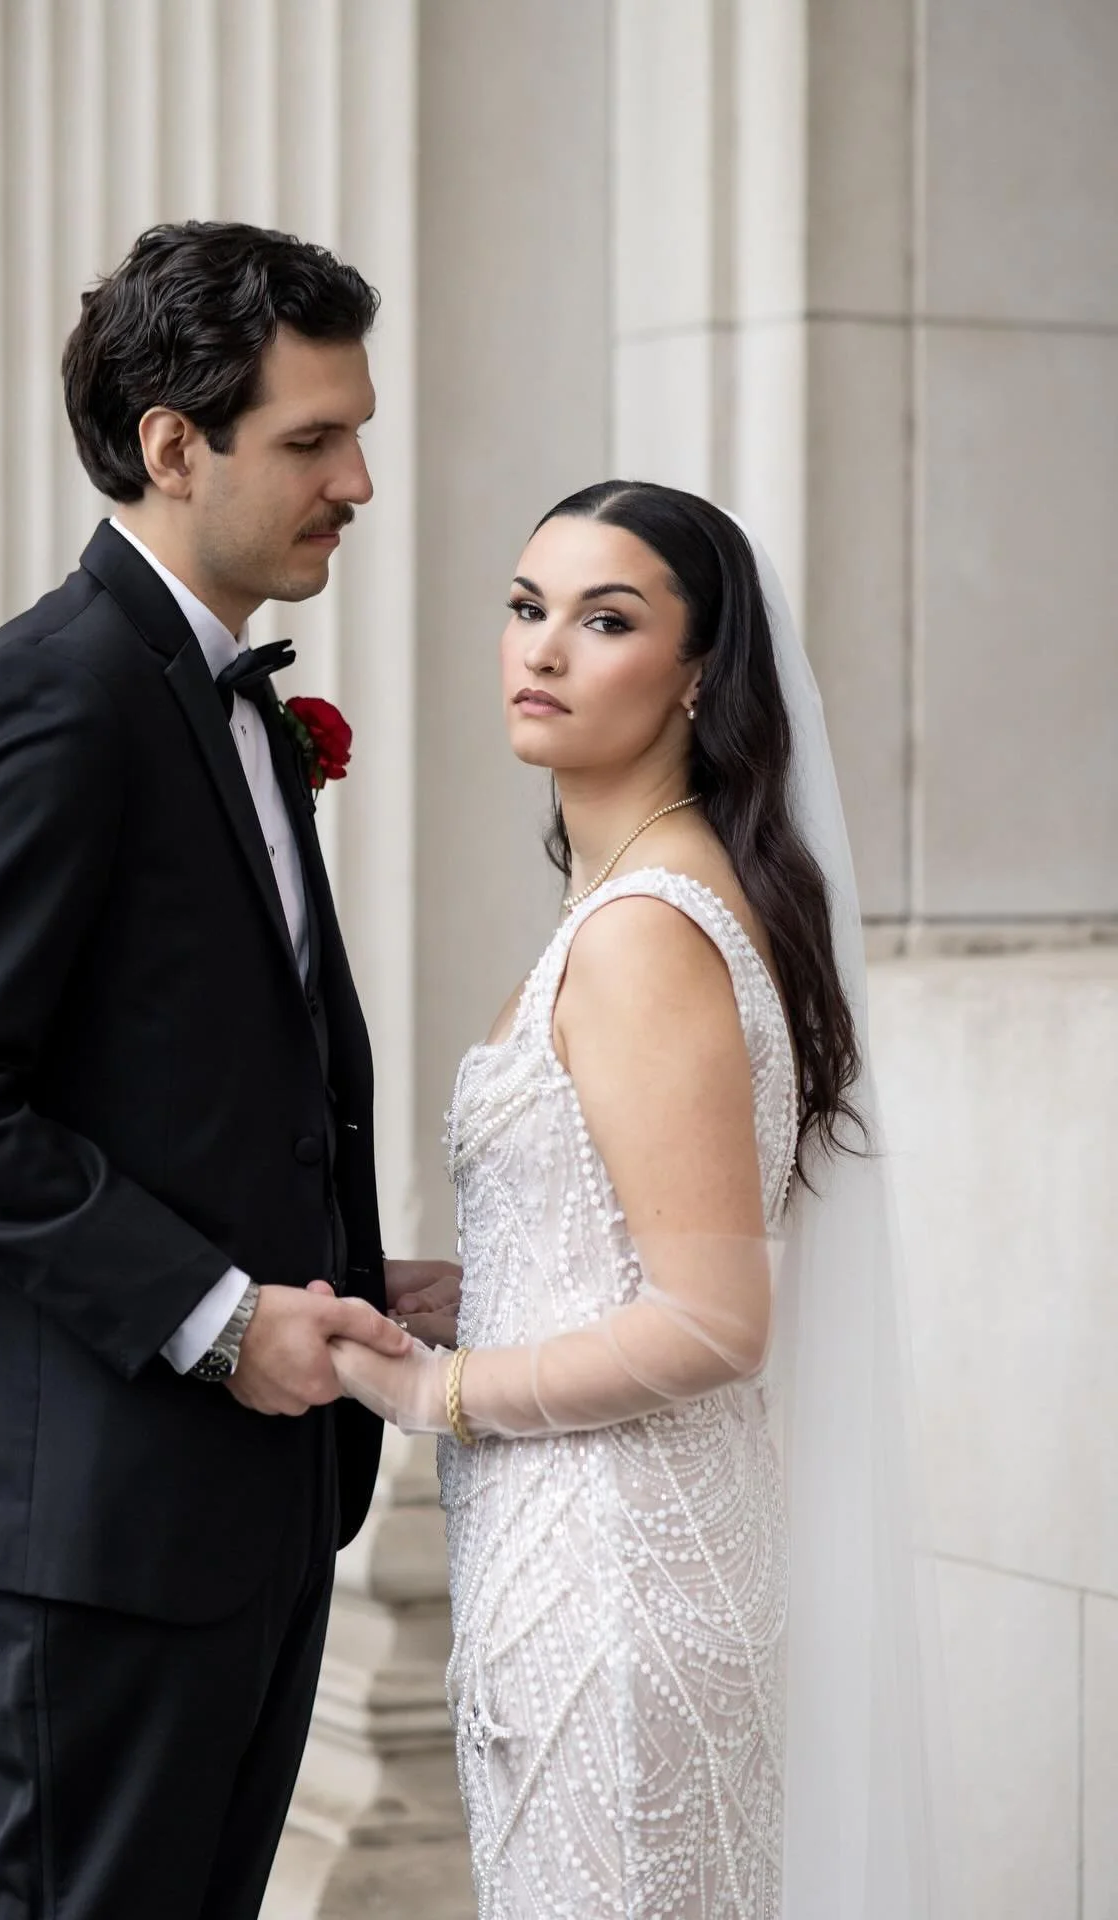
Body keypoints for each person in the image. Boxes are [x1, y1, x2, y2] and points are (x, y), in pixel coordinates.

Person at [0, 220, 457, 1920]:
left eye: (360, 432)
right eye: (314, 440)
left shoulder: (225, 697)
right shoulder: (55, 696)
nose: (358, 482)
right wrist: (216, 1314)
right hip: (100, 1521)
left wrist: (336, 1269)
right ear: (175, 446)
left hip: (246, 1505)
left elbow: (182, 1070)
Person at [337, 482, 947, 1917]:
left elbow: (717, 1319)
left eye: (605, 619)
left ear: (694, 675)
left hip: (612, 1595)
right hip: (589, 1568)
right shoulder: (641, 898)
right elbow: (640, 1245)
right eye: (526, 607)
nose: (541, 650)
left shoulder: (644, 935)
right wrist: (486, 1280)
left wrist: (440, 1390)